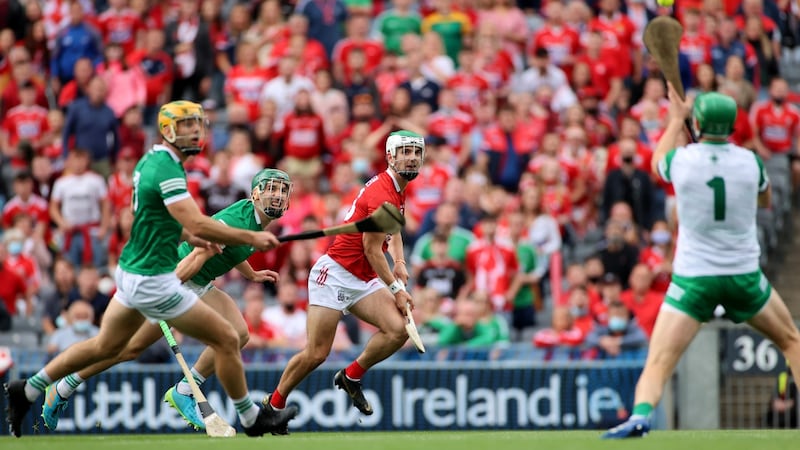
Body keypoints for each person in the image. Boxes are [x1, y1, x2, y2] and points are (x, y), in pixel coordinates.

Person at [4, 101, 296, 438]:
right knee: (180, 343)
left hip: (149, 270)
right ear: (168, 130)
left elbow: (200, 236)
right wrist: (178, 281)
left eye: (198, 125)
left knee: (117, 345)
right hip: (170, 276)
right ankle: (241, 415)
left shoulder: (165, 164)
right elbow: (198, 235)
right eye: (187, 126)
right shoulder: (171, 173)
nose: (196, 132)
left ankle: (35, 388)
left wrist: (251, 273)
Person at [603, 84, 800, 438]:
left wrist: (675, 120)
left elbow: (655, 162)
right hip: (743, 277)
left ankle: (640, 416)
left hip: (693, 281)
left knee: (660, 360)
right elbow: (766, 200)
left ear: (698, 122)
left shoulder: (682, 160)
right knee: (791, 341)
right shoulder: (749, 161)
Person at [37, 168, 294, 432]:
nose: (277, 195)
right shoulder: (235, 220)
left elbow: (232, 249)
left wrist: (251, 274)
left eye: (282, 191)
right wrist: (167, 289)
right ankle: (62, 387)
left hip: (199, 282)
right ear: (255, 194)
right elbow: (196, 256)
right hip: (176, 275)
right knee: (125, 348)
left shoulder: (256, 223)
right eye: (271, 188)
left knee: (239, 334)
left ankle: (185, 390)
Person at [265, 130, 424, 417]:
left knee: (397, 331)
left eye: (416, 153)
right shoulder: (382, 193)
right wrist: (397, 290)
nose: (412, 159)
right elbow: (373, 250)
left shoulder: (398, 186)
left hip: (364, 277)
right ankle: (272, 405)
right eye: (406, 152)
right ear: (390, 156)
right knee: (316, 353)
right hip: (335, 273)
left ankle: (350, 376)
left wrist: (399, 259)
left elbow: (394, 225)